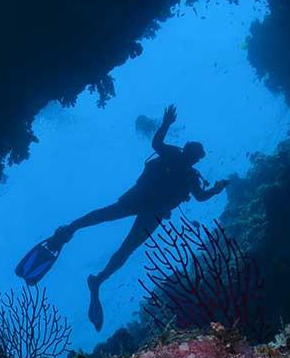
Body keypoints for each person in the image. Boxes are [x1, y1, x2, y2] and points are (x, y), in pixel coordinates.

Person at [14, 104, 229, 330]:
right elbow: (159, 147)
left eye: (195, 157)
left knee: (119, 237)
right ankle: (77, 241)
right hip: (144, 203)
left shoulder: (187, 171)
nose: (192, 159)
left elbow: (200, 195)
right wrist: (166, 124)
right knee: (111, 225)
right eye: (193, 155)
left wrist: (216, 188)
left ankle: (93, 270)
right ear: (190, 152)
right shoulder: (177, 159)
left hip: (149, 208)